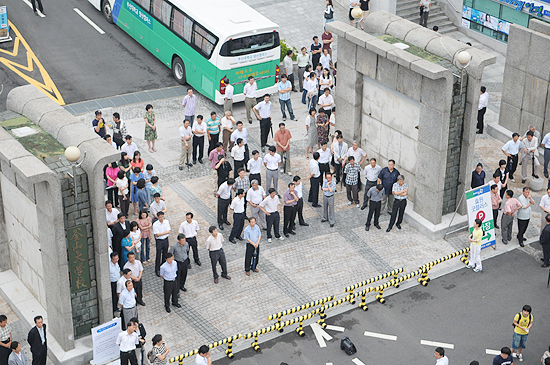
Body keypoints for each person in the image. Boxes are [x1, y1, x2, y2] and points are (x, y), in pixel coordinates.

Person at [153, 212, 170, 277]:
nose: (162, 218)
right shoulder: (155, 224)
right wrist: (165, 232)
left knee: (165, 253)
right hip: (159, 241)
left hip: (165, 239)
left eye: (162, 216)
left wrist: (162, 233)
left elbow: (169, 231)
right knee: (158, 254)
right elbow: (157, 235)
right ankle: (157, 269)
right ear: (157, 217)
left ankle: (163, 266)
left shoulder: (166, 222)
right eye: (160, 217)